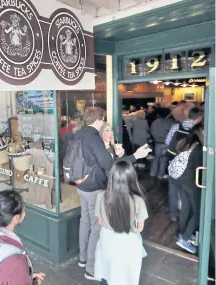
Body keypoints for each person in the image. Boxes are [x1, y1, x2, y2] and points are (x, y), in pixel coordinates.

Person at [72, 107, 150, 280]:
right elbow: (110, 166)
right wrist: (135, 156)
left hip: (81, 185)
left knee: (84, 221)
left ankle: (82, 258)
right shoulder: (93, 137)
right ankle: (90, 269)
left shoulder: (78, 134)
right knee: (96, 227)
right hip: (94, 188)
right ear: (99, 119)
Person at [0, 190, 46, 285]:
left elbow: (0, 273)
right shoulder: (16, 260)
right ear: (16, 218)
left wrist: (25, 275)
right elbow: (10, 270)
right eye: (24, 210)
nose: (25, 212)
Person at [94, 160, 148, 285]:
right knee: (126, 277)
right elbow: (140, 228)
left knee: (107, 274)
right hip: (128, 245)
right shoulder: (138, 200)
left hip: (107, 242)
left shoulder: (101, 196)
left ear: (112, 177)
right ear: (132, 177)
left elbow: (100, 221)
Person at [165, 107, 203, 222]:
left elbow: (167, 142)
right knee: (186, 190)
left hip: (174, 161)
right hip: (190, 165)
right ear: (199, 118)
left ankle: (173, 214)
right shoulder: (199, 131)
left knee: (173, 188)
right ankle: (187, 215)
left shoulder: (176, 126)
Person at [174, 124, 204, 254]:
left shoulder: (186, 142)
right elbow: (200, 168)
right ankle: (184, 239)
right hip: (191, 181)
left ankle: (183, 233)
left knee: (185, 207)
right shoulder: (198, 148)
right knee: (198, 211)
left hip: (181, 178)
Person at [149, 108, 175, 178]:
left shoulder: (155, 121)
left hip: (157, 142)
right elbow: (172, 133)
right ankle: (160, 175)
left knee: (156, 158)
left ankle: (152, 173)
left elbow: (151, 130)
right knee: (163, 159)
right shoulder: (171, 122)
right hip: (166, 143)